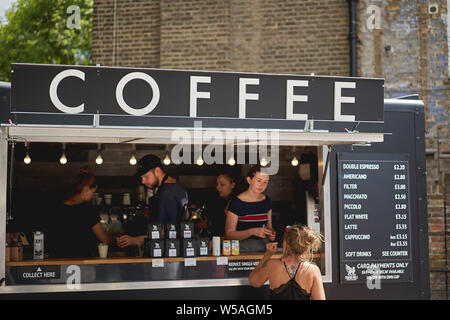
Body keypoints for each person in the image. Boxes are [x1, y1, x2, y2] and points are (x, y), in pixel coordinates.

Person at [117, 154, 189, 247]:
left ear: (157, 171)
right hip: (178, 245)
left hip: (169, 249)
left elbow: (167, 232)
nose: (143, 181)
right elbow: (186, 214)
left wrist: (135, 240)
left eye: (146, 176)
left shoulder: (166, 193)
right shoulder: (178, 185)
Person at [48, 167, 114, 258]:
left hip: (58, 261)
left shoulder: (57, 207)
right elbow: (104, 239)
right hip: (83, 263)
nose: (92, 196)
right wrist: (118, 240)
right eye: (93, 192)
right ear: (86, 189)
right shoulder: (88, 210)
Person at [248, 225, 325, 300]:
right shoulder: (313, 270)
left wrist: (267, 255)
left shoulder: (272, 265)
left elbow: (253, 281)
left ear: (286, 242)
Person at [225, 165, 276, 252]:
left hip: (262, 249)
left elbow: (269, 227)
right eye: (259, 180)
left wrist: (271, 233)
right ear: (249, 180)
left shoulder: (267, 201)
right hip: (240, 251)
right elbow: (229, 234)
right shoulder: (237, 202)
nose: (262, 185)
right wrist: (252, 231)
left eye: (265, 182)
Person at [207, 171, 238, 236]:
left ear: (232, 185)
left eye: (222, 185)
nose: (217, 187)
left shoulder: (236, 202)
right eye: (217, 184)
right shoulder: (218, 201)